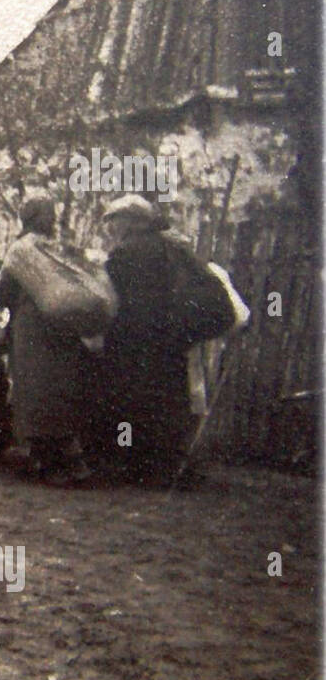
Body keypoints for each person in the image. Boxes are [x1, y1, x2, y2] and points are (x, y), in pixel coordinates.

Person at [98, 194, 231, 485]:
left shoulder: (126, 254)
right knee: (168, 402)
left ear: (132, 222)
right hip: (171, 340)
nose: (111, 227)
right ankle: (166, 465)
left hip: (135, 342)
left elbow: (112, 298)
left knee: (129, 403)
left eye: (115, 220)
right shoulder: (175, 247)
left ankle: (129, 463)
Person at [0, 195, 93, 485]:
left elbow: (2, 292)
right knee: (61, 389)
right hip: (64, 327)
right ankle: (70, 459)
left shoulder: (21, 250)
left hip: (32, 329)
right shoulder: (62, 249)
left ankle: (46, 460)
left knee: (34, 390)